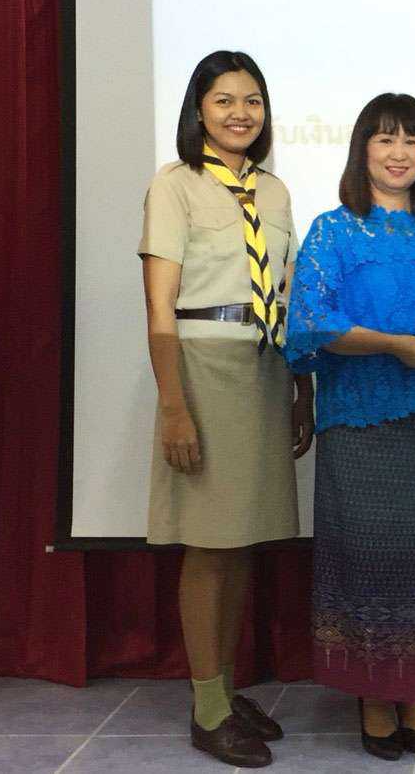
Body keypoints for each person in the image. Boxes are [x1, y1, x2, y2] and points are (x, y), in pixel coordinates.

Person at [283, 93, 415, 762]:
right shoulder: (333, 231)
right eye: (385, 139)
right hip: (360, 422)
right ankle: (372, 695)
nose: (400, 153)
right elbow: (311, 323)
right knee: (365, 560)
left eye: (412, 140)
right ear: (362, 149)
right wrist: (392, 344)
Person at [140, 50, 315, 768]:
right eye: (224, 101)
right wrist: (173, 407)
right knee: (209, 545)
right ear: (198, 111)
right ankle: (207, 707)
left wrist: (303, 388)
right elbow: (159, 309)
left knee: (242, 540)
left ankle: (225, 686)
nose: (240, 113)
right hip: (204, 369)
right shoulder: (175, 185)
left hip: (267, 367)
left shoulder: (273, 192)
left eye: (252, 101)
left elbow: (291, 296)